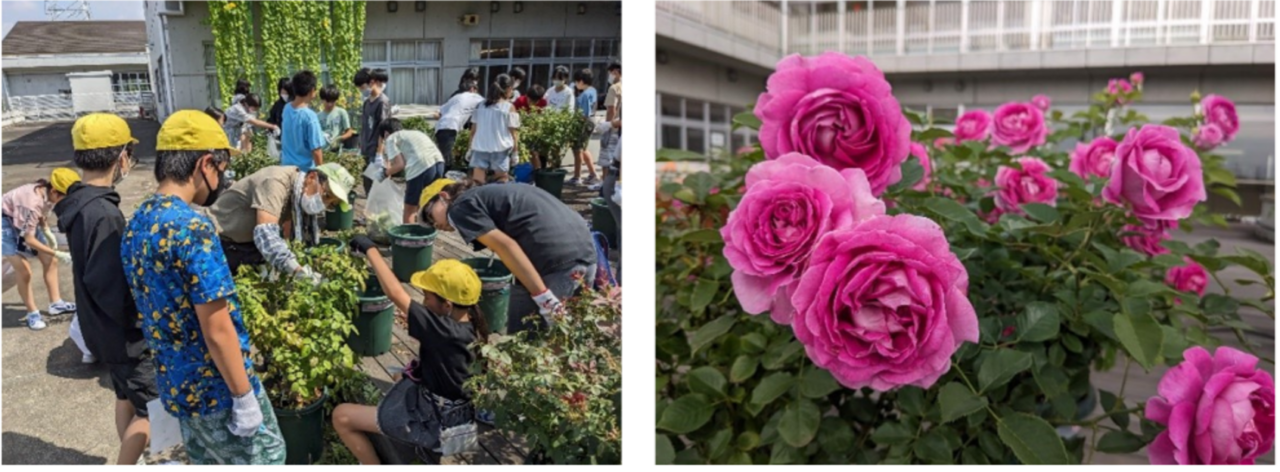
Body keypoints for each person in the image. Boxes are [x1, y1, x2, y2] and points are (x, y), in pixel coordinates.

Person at [121, 110, 286, 465]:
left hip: (176, 385)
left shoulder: (138, 221)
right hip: (217, 388)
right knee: (268, 458)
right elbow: (217, 326)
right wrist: (243, 397)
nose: (223, 177)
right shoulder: (192, 228)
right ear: (206, 163)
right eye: (223, 168)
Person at [53, 113, 158, 465]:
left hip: (101, 330)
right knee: (153, 411)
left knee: (125, 397)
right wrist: (143, 325)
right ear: (121, 157)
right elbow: (110, 284)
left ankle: (134, 458)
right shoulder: (104, 214)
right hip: (125, 336)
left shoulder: (80, 204)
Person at [332, 253, 485, 465]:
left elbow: (395, 293)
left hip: (435, 423)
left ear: (448, 305)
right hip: (458, 415)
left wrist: (370, 250)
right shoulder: (472, 325)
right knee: (399, 375)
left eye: (427, 297)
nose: (423, 302)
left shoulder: (444, 331)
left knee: (341, 416)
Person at [419, 179, 596, 333]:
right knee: (571, 338)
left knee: (529, 342)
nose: (435, 225)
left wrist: (544, 297)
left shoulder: (458, 207)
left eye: (430, 215)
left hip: (554, 260)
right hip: (586, 250)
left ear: (443, 196)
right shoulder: (490, 194)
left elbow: (505, 246)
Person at [210, 163, 353, 277]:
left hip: (246, 245)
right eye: (326, 196)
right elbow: (266, 235)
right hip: (217, 242)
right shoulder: (275, 182)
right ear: (311, 178)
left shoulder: (297, 195)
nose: (324, 204)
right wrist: (297, 271)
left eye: (331, 204)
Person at [2, 170, 77, 331]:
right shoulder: (31, 203)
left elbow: (40, 216)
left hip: (21, 220)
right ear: (55, 191)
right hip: (4, 224)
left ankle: (56, 304)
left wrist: (47, 232)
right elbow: (29, 239)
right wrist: (58, 252)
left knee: (50, 260)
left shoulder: (46, 192)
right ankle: (32, 313)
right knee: (24, 271)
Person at [376, 118, 446, 224]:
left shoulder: (391, 138)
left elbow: (399, 165)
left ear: (386, 133)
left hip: (420, 167)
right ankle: (425, 235)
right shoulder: (414, 133)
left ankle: (408, 238)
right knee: (427, 204)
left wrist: (384, 174)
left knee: (409, 209)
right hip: (439, 163)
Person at [467, 74, 520, 185]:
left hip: (479, 148)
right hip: (500, 149)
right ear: (509, 89)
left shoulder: (480, 106)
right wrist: (515, 152)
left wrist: (469, 148)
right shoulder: (509, 107)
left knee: (477, 183)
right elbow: (514, 133)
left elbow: (473, 131)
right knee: (501, 182)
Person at [281, 70, 327, 172]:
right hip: (304, 173)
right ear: (312, 90)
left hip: (285, 169)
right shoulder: (310, 117)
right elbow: (316, 150)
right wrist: (322, 173)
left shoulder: (286, 109)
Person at [433, 79, 483, 172]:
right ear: (472, 89)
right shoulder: (476, 97)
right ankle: (442, 180)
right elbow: (487, 105)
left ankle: (441, 176)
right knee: (446, 160)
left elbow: (437, 113)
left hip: (441, 127)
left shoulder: (456, 97)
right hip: (451, 126)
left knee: (442, 156)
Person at [359, 68, 393, 194]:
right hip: (366, 149)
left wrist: (380, 153)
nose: (362, 90)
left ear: (372, 82)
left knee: (378, 186)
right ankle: (371, 212)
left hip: (377, 150)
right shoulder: (367, 102)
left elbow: (383, 129)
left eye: (362, 87)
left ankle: (379, 212)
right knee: (367, 183)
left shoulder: (382, 102)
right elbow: (365, 126)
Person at [569, 68, 600, 188]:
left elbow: (584, 114)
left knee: (578, 149)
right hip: (591, 120)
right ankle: (592, 174)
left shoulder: (585, 94)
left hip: (584, 122)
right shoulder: (592, 90)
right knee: (584, 148)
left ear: (581, 81)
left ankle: (577, 177)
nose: (576, 85)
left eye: (576, 82)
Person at [317, 85, 356, 153]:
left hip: (337, 151)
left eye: (333, 101)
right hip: (323, 151)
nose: (330, 104)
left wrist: (339, 139)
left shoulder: (341, 112)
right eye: (327, 101)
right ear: (322, 100)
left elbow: (349, 132)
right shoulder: (318, 116)